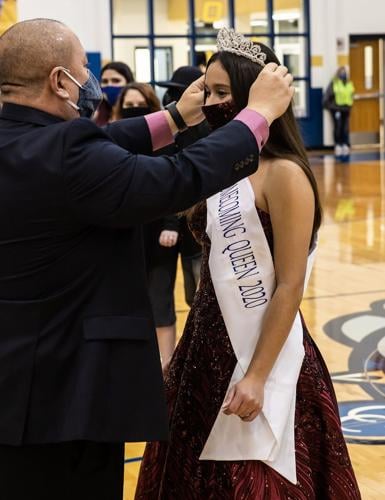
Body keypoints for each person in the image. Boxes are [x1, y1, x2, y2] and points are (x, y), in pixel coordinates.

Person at [0, 19, 294, 500]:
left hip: (19, 381)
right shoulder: (68, 151)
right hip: (68, 392)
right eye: (81, 73)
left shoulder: (24, 141)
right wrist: (256, 116)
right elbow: (176, 178)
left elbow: (104, 148)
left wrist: (176, 117)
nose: (89, 86)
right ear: (58, 81)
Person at [135, 28, 361, 499]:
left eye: (223, 93)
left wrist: (257, 375)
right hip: (204, 344)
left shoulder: (286, 175)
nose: (213, 102)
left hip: (263, 351)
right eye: (208, 91)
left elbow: (289, 285)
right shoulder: (219, 162)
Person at [323, 66, 355, 162]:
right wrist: (331, 107)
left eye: (344, 72)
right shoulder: (334, 83)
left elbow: (351, 95)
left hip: (346, 109)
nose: (343, 74)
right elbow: (327, 97)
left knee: (345, 127)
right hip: (336, 109)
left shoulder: (349, 83)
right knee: (338, 127)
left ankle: (345, 144)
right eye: (342, 72)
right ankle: (338, 144)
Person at [95, 61, 134, 125]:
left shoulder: (136, 113)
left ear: (128, 83)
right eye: (105, 81)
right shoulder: (95, 115)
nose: (109, 85)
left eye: (116, 81)